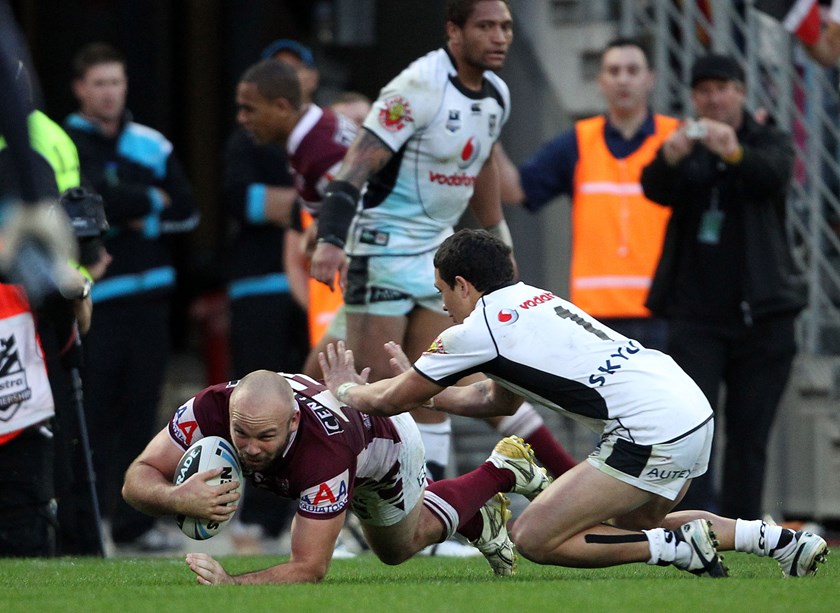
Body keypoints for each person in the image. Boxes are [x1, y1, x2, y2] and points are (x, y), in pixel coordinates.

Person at [319, 228, 829, 579]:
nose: (443, 307)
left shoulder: (475, 330)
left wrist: (345, 390)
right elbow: (491, 397)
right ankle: (778, 541)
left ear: (463, 284)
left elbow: (388, 401)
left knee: (533, 537)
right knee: (634, 528)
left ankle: (678, 549)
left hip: (649, 428)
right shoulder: (534, 298)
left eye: (443, 293)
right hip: (689, 407)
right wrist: (419, 385)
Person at [309, 0, 574, 483]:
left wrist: (500, 241)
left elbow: (485, 164)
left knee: (434, 377)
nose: (500, 37)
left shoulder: (497, 93)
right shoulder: (416, 87)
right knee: (372, 388)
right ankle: (345, 516)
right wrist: (330, 237)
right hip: (382, 247)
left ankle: (427, 512)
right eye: (486, 26)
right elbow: (354, 168)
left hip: (437, 250)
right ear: (454, 32)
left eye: (507, 27)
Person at [121, 369, 552, 583]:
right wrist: (178, 497)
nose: (250, 448)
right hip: (346, 441)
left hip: (387, 444)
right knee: (397, 542)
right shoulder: (210, 408)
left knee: (399, 548)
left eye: (265, 436)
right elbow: (136, 478)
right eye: (241, 434)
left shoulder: (323, 455)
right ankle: (479, 521)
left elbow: (309, 567)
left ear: (292, 423)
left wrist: (232, 584)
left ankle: (500, 470)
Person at [639, 53, 804, 520]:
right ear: (693, 98)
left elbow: (772, 176)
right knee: (692, 428)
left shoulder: (766, 137)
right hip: (697, 317)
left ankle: (743, 530)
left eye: (722, 88)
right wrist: (671, 157)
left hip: (764, 315)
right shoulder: (686, 144)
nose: (713, 98)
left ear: (741, 92)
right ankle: (689, 529)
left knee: (749, 435)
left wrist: (734, 152)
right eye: (703, 90)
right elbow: (653, 186)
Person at [64, 42, 199, 551]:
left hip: (152, 304)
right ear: (80, 88)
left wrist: (119, 208)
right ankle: (83, 529)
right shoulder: (66, 142)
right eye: (99, 83)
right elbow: (84, 203)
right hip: (95, 303)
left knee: (144, 418)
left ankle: (134, 526)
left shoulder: (153, 143)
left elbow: (187, 210)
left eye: (115, 82)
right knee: (90, 417)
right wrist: (145, 200)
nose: (109, 93)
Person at [497, 37, 678, 351]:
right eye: (614, 70)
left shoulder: (676, 140)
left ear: (651, 79)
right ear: (601, 81)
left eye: (632, 70)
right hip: (594, 316)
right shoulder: (579, 142)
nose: (623, 79)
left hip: (666, 311)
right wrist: (486, 137)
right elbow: (515, 189)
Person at [221, 38, 318, 553]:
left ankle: (304, 513)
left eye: (294, 74)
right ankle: (255, 517)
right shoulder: (248, 140)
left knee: (307, 403)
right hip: (258, 290)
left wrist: (299, 206)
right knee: (254, 404)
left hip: (314, 295)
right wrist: (308, 206)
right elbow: (244, 201)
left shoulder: (318, 141)